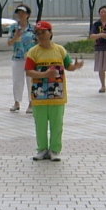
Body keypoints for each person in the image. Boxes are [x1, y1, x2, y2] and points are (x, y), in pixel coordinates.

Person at [25, 20, 84, 161]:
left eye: (43, 32)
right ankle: (42, 149)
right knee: (40, 124)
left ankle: (54, 150)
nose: (41, 36)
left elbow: (68, 66)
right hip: (39, 95)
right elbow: (28, 71)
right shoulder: (33, 52)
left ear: (50, 33)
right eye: (38, 33)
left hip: (57, 95)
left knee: (57, 124)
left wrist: (75, 67)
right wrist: (44, 74)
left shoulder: (60, 50)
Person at [7, 3, 37, 112]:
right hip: (17, 57)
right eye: (19, 12)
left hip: (31, 58)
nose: (20, 15)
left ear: (28, 14)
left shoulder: (33, 28)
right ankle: (17, 102)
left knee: (31, 80)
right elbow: (9, 43)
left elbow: (38, 42)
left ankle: (31, 103)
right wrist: (16, 37)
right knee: (17, 81)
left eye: (23, 13)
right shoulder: (13, 27)